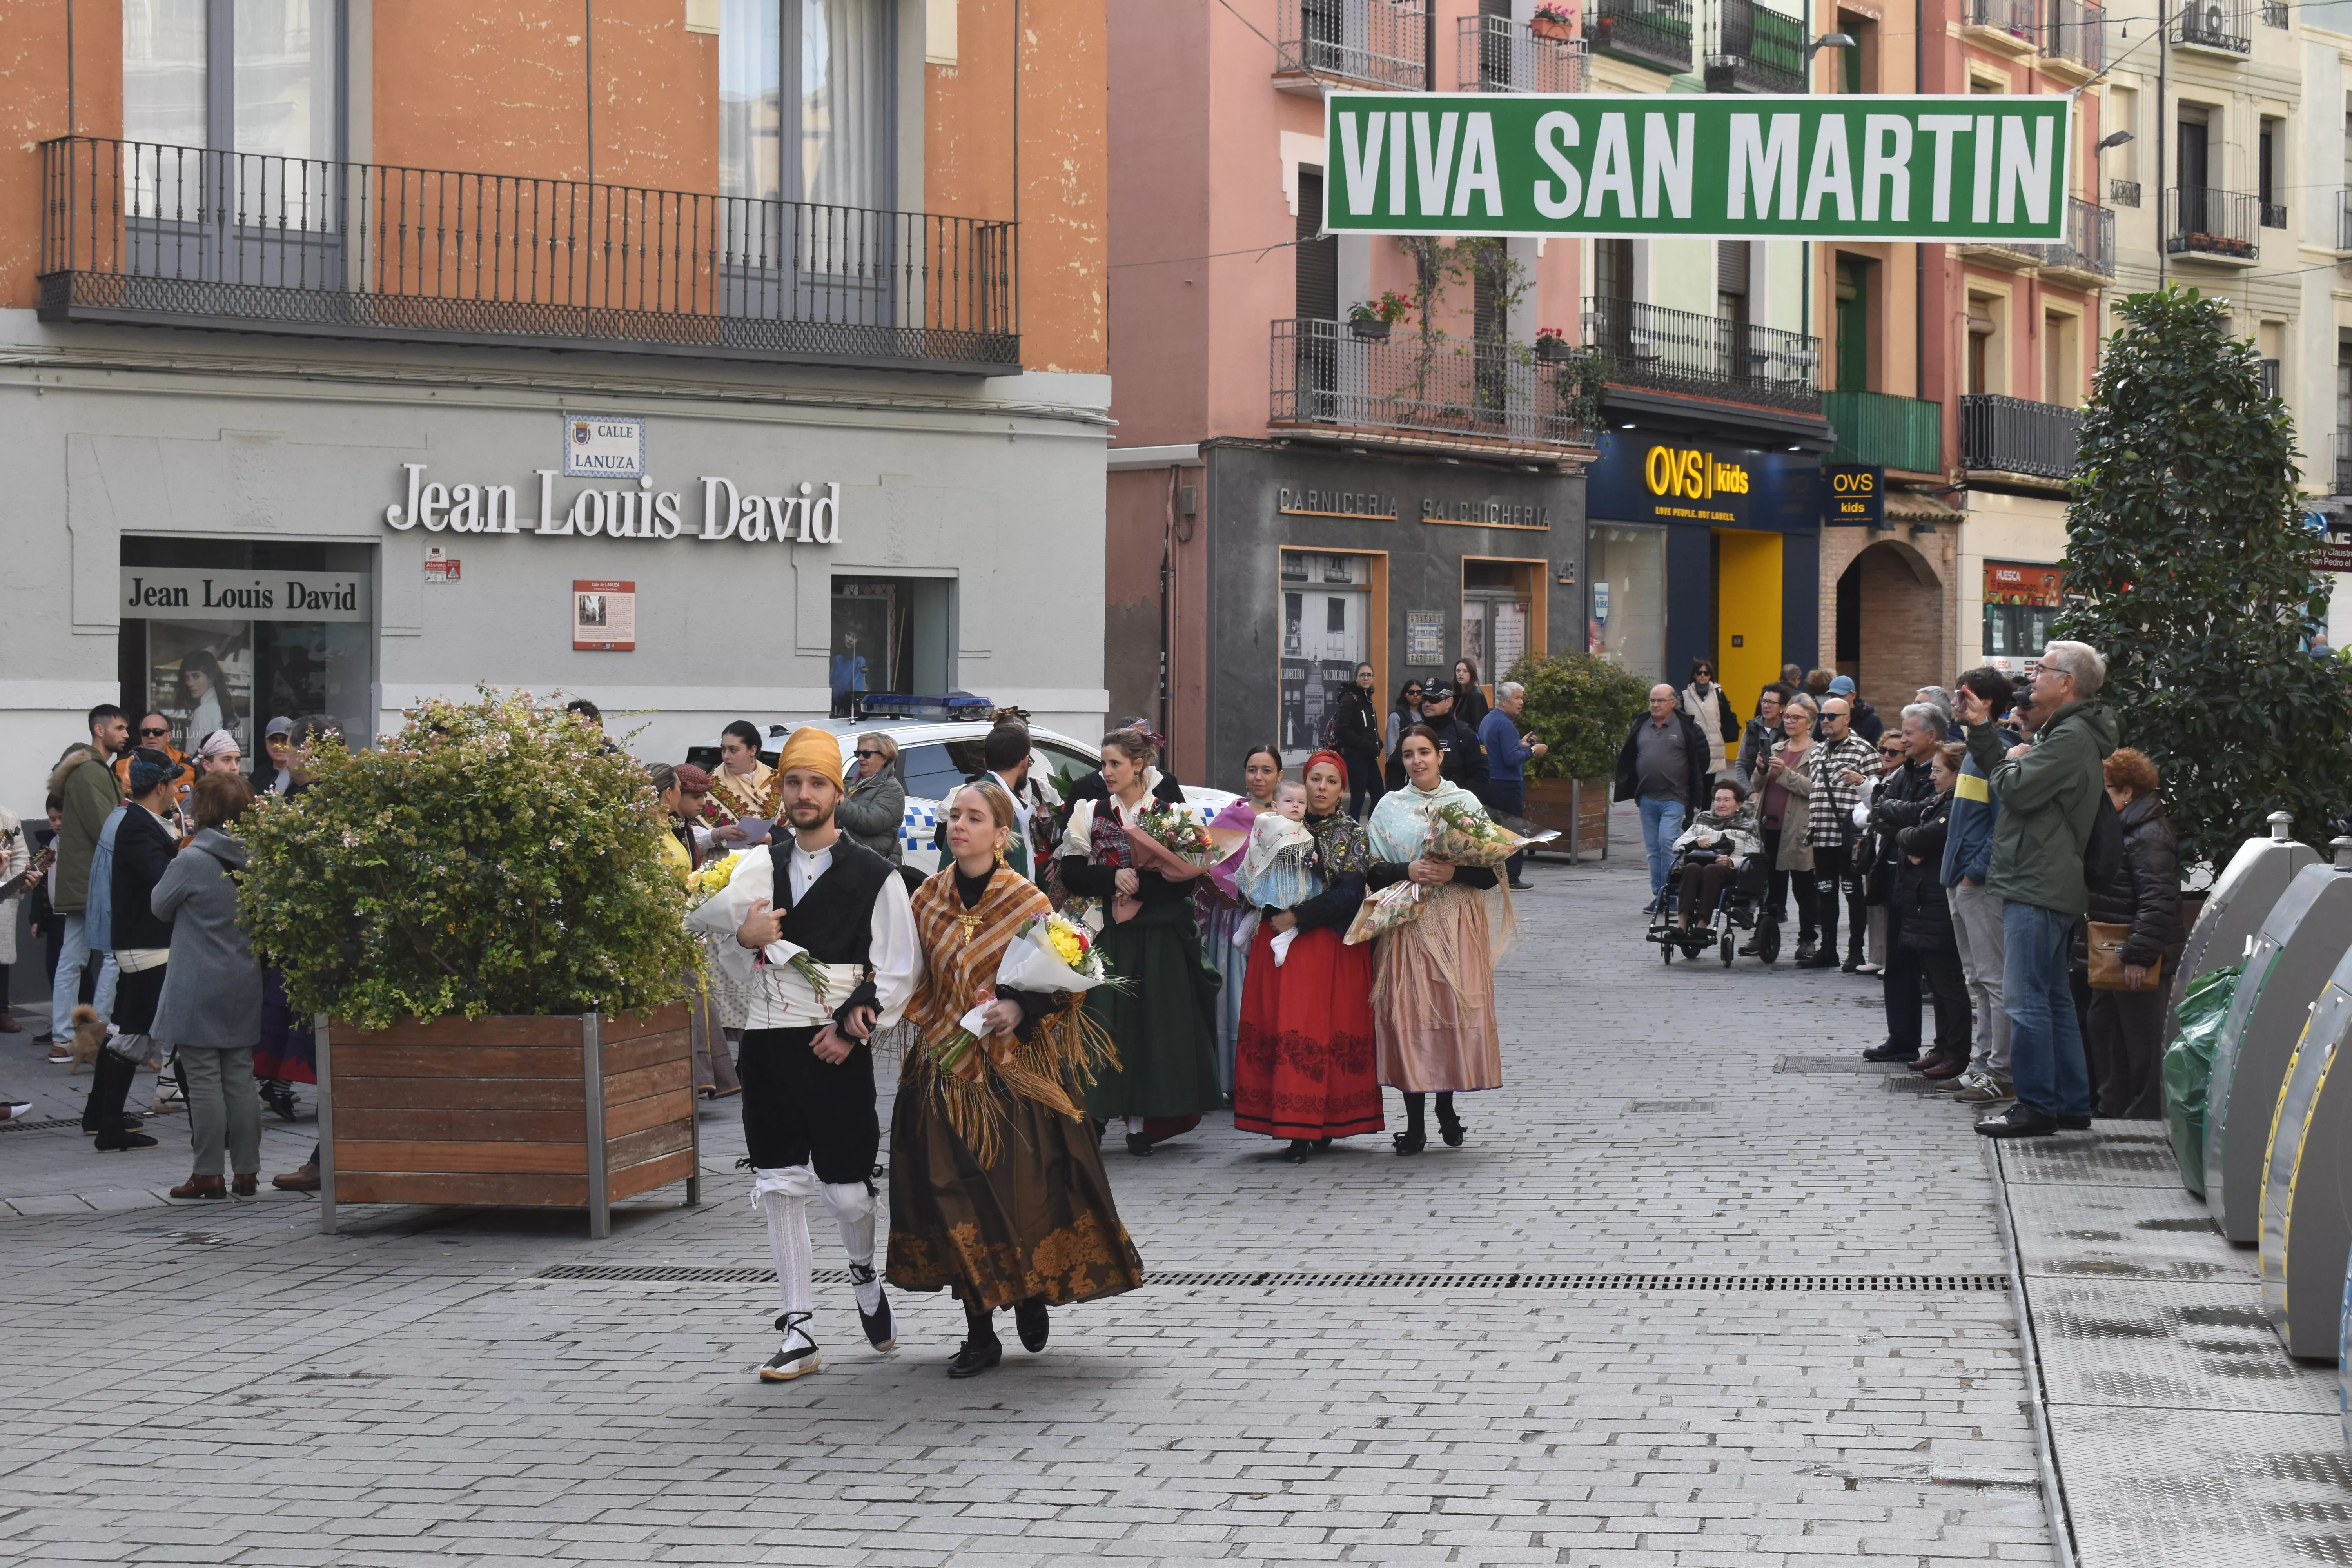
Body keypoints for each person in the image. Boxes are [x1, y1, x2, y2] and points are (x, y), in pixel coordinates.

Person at [886, 780, 1145, 1378]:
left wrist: (1018, 1011)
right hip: (945, 1069)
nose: (960, 826)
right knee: (955, 1198)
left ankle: (1029, 1292)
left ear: (1002, 835)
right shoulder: (925, 898)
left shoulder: (1026, 900)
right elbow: (908, 974)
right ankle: (979, 1329)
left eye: (975, 818)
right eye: (955, 817)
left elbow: (1065, 982)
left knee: (1022, 1197)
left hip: (1015, 1075)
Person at [686, 726, 919, 1381]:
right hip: (767, 1042)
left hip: (835, 1049)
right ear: (779, 789)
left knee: (849, 1197)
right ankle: (799, 1330)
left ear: (839, 793)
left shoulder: (877, 875)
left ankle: (863, 1273)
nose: (804, 794)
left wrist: (851, 1031)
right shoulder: (757, 867)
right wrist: (742, 933)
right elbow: (731, 965)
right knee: (780, 1184)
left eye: (817, 782)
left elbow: (898, 968)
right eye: (793, 782)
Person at [1958, 641, 2117, 1139]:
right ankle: (2068, 1104)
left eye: (2042, 670)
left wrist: (2011, 758)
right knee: (2051, 998)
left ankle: (2036, 1106)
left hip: (2038, 879)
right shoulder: (2068, 733)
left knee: (2027, 1000)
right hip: (2044, 877)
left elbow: (2019, 790)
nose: (2033, 678)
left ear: (2066, 683)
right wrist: (1986, 733)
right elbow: (2015, 780)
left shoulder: (2069, 738)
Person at [1059, 728, 1221, 1155]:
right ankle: (1093, 1115)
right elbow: (1072, 872)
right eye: (1103, 763)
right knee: (1104, 1023)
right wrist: (1113, 877)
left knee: (1151, 1027)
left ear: (1139, 765)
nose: (1106, 771)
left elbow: (1187, 879)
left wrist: (1142, 885)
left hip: (1159, 934)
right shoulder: (1089, 810)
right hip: (1108, 934)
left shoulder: (1167, 812)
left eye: (1115, 763)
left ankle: (1141, 1123)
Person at [1233, 753, 1384, 1161]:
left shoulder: (1351, 832)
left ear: (1342, 788)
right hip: (1280, 941)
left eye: (1331, 781)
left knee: (1315, 1032)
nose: (1321, 787)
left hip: (1324, 945)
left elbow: (1351, 893)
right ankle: (1290, 1122)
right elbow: (1251, 869)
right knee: (1280, 1027)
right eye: (1315, 778)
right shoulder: (1276, 822)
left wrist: (1298, 916)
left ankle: (1314, 1125)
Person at [1367, 726, 1506, 1155]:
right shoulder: (1389, 807)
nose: (1417, 761)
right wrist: (1405, 870)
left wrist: (1454, 873)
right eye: (1408, 754)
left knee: (1449, 1012)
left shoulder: (1464, 803)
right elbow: (1370, 870)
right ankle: (1414, 1126)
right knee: (1411, 1016)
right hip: (1407, 921)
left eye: (1424, 752)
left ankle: (1446, 1106)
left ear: (1440, 755)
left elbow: (1489, 873)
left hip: (1455, 919)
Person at [151, 772, 265, 1200]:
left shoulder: (193, 859)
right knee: (240, 1075)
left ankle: (209, 1172)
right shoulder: (261, 857)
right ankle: (249, 1172)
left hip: (197, 982)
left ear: (204, 809)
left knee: (202, 1080)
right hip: (243, 976)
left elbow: (159, 906)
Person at [2080, 747, 2184, 1119]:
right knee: (2106, 1028)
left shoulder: (2148, 835)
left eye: (2107, 789)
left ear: (2128, 792)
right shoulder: (2128, 828)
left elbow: (2158, 900)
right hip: (2114, 950)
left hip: (2132, 953)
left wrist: (2139, 955)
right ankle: (2115, 1105)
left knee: (2140, 1038)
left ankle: (2142, 1111)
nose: (2101, 797)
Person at [92, 747, 183, 1153]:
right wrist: (188, 851)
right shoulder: (137, 826)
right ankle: (211, 1131)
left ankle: (107, 1124)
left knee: (131, 1036)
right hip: (148, 947)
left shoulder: (144, 822)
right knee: (181, 1036)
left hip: (144, 945)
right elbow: (162, 880)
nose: (179, 788)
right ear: (160, 786)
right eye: (175, 782)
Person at [1943, 668, 2018, 1107]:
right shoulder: (1974, 751)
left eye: (1963, 694)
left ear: (1984, 702)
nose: (1956, 700)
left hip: (1976, 883)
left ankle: (2000, 1071)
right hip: (1960, 880)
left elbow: (2003, 823)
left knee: (1992, 978)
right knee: (1977, 978)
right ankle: (1983, 1063)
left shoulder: (1997, 753)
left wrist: (1975, 871)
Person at [650, 763, 742, 1103]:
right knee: (687, 998)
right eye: (691, 794)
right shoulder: (652, 831)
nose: (701, 801)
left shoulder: (672, 827)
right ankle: (694, 1077)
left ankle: (704, 1078)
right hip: (667, 929)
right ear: (670, 794)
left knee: (696, 996)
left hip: (682, 927)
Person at [1861, 705, 1944, 1061]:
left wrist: (1906, 824)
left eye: (1910, 733)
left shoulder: (1943, 772)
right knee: (1897, 963)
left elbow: (1932, 815)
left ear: (1932, 737)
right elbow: (1879, 810)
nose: (1903, 739)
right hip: (1897, 877)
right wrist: (1907, 829)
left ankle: (1946, 1048)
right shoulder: (1904, 772)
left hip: (1929, 885)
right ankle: (1902, 1038)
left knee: (1936, 969)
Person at [1200, 745, 1282, 1101]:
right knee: (1234, 996)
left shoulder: (1291, 814)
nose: (1259, 778)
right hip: (1233, 919)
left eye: (1266, 771)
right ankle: (1233, 1080)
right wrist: (1240, 890)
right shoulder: (1230, 817)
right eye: (1252, 770)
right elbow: (1209, 864)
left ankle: (1270, 1078)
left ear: (1279, 775)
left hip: (1276, 920)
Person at [47, 706, 127, 1047]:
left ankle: (63, 1039)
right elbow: (105, 828)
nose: (126, 735)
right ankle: (97, 1035)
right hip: (97, 878)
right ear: (100, 730)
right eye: (120, 728)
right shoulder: (92, 771)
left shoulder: (84, 770)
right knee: (112, 956)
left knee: (72, 959)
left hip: (81, 877)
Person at [1898, 745, 1972, 1080]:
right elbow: (1908, 827)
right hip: (1924, 900)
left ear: (1957, 773)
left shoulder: (1958, 803)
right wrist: (1908, 839)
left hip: (1940, 901)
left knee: (1949, 981)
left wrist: (1910, 840)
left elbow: (1925, 836)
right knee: (1937, 981)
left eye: (1939, 771)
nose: (1932, 776)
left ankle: (1957, 1052)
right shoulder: (1939, 801)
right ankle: (1942, 1047)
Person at [1616, 684, 1712, 911]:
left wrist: (1694, 788)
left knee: (1667, 843)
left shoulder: (1686, 727)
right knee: (1653, 850)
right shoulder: (1641, 725)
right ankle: (1659, 895)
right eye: (1652, 701)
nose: (1655, 705)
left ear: (1673, 703)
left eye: (1660, 701)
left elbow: (1703, 759)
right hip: (1647, 798)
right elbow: (1629, 756)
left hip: (1675, 797)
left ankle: (1672, 893)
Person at [1802, 695, 1878, 970]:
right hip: (1822, 834)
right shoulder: (1818, 751)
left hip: (1850, 838)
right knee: (1826, 893)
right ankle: (1828, 949)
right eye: (1823, 716)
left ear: (1847, 719)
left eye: (1832, 716)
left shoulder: (1864, 750)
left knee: (1853, 894)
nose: (1825, 721)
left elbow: (1877, 791)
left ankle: (1855, 951)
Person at [1751, 691, 1819, 960]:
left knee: (1804, 888)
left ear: (1809, 722)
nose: (1789, 721)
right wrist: (1761, 770)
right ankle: (1762, 936)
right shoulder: (1776, 748)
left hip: (1799, 830)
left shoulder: (1817, 754)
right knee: (1767, 888)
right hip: (1769, 828)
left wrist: (1786, 774)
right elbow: (1758, 785)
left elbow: (1816, 790)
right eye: (1787, 716)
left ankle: (1807, 941)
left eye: (1796, 717)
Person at [1477, 682, 1549, 892]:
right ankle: (1512, 877)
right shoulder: (1506, 724)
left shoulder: (1489, 720)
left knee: (1494, 831)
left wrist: (1522, 743)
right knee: (1514, 831)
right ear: (1504, 701)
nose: (1521, 703)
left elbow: (1500, 749)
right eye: (1517, 698)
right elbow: (1511, 758)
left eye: (1522, 698)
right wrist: (1534, 751)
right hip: (1507, 785)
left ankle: (1493, 873)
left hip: (1491, 782)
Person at [1668, 780, 1759, 932]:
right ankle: (1682, 924)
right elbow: (1677, 845)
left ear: (1739, 804)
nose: (1721, 804)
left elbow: (1753, 858)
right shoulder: (1704, 818)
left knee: (1712, 869)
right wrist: (1696, 840)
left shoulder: (1749, 824)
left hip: (1730, 873)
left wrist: (1731, 862)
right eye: (1718, 800)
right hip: (1698, 866)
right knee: (1691, 867)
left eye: (1727, 800)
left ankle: (1703, 924)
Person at [835, 732, 907, 865]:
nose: (861, 758)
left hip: (874, 865)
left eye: (867, 754)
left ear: (884, 758)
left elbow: (871, 822)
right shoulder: (851, 785)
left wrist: (837, 802)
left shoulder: (893, 789)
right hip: (849, 859)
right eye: (859, 754)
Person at [710, 720, 779, 841]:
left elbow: (795, 828)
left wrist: (773, 837)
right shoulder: (710, 784)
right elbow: (689, 837)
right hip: (727, 858)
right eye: (724, 749)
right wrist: (718, 833)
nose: (726, 756)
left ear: (752, 751)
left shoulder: (775, 779)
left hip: (773, 856)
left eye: (733, 750)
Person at [1418, 685, 1488, 800]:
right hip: (1416, 805)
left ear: (1449, 702)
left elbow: (1480, 776)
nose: (1427, 704)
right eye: (1424, 699)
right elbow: (1395, 771)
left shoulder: (1465, 733)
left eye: (1434, 699)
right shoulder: (1412, 732)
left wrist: (1456, 801)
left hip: (1455, 807)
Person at [1334, 662, 1385, 819]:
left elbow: (1370, 728)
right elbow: (1342, 729)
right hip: (1355, 757)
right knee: (1358, 798)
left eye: (1369, 675)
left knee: (1379, 796)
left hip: (1369, 757)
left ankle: (1371, 831)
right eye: (1362, 675)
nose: (1366, 678)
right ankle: (1352, 835)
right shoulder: (1350, 699)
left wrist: (1378, 743)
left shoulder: (1367, 698)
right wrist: (1365, 743)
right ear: (1356, 678)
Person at [0, 802, 29, 1034]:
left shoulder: (7, 817)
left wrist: (16, 885)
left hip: (4, 894)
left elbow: (21, 856)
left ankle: (2, 1011)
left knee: (1, 956)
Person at [1681, 659, 1738, 775]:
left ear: (1710, 676)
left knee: (1710, 786)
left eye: (1706, 673)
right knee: (1695, 785)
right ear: (1694, 675)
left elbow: (1726, 718)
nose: (1703, 675)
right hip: (1694, 746)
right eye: (1699, 672)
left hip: (1714, 746)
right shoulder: (1685, 696)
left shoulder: (1719, 694)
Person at [1734, 683, 1794, 787]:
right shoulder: (1752, 728)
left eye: (1771, 703)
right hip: (1752, 791)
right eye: (1764, 701)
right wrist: (1749, 792)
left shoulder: (1788, 731)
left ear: (1782, 708)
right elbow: (1741, 764)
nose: (1766, 706)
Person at [117, 713, 190, 793]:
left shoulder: (189, 765)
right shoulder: (121, 764)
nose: (151, 736)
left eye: (158, 732)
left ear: (169, 736)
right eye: (146, 732)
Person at [178, 650, 232, 748]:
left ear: (211, 678)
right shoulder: (216, 706)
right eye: (187, 678)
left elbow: (193, 757)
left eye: (196, 676)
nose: (190, 683)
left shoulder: (203, 712)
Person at [1384, 680, 1427, 792]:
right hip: (1402, 768)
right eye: (1412, 692)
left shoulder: (1426, 714)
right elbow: (1391, 748)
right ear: (1405, 694)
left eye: (1419, 693)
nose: (1416, 696)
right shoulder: (1396, 716)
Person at [1827, 675, 1884, 744]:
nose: (1836, 700)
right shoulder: (1826, 718)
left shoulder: (1871, 720)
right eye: (1833, 696)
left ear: (1853, 695)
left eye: (1841, 696)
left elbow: (1877, 750)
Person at [250, 717, 296, 797]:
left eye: (284, 740)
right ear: (266, 743)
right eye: (273, 740)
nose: (279, 746)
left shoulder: (304, 775)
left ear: (294, 743)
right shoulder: (258, 777)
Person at [1452, 659, 1490, 735]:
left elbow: (1478, 727)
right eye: (1458, 671)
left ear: (1472, 674)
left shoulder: (1477, 696)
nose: (1461, 674)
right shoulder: (1458, 694)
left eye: (1465, 671)